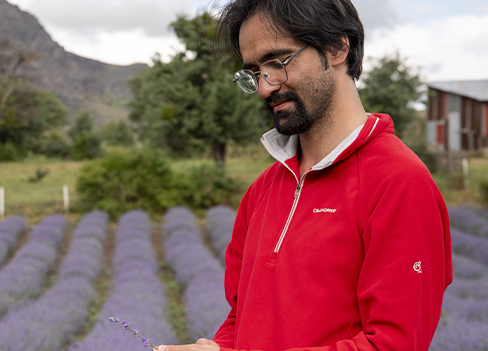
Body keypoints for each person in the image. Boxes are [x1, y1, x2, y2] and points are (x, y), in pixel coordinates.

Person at [158, 0, 452, 350]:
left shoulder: (399, 182)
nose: (265, 87)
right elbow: (243, 317)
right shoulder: (262, 191)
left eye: (278, 63)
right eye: (254, 73)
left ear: (338, 47)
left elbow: (392, 343)